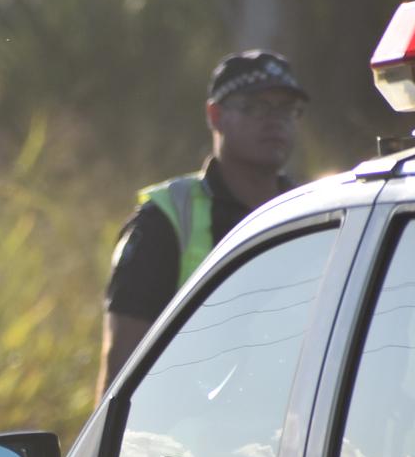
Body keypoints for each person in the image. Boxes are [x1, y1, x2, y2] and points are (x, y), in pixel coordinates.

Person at [95, 50, 308, 401]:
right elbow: (121, 363)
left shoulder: (312, 212)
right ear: (215, 115)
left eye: (286, 108)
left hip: (300, 440)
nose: (274, 120)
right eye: (255, 106)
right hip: (189, 449)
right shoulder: (166, 219)